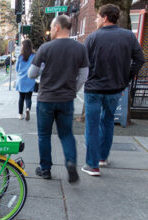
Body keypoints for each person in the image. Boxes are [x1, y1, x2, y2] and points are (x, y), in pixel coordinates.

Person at [81, 4, 145, 176]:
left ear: (105, 18)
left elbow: (83, 64)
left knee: (92, 126)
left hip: (94, 89)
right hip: (115, 88)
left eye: (97, 17)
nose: (95, 19)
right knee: (108, 121)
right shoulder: (128, 37)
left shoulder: (92, 38)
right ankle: (102, 158)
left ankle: (92, 165)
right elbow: (140, 59)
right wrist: (126, 79)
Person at [28, 15, 89, 184]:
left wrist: (43, 72)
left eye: (51, 27)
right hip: (66, 99)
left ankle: (45, 169)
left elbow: (31, 73)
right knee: (66, 134)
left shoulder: (45, 48)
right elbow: (84, 76)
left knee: (44, 135)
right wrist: (72, 89)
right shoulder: (80, 48)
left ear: (56, 27)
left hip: (46, 98)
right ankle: (70, 162)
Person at [15, 39, 36, 121]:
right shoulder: (34, 56)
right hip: (30, 79)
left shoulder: (20, 56)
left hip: (21, 79)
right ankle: (28, 109)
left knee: (21, 97)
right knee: (28, 97)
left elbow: (17, 68)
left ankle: (20, 114)